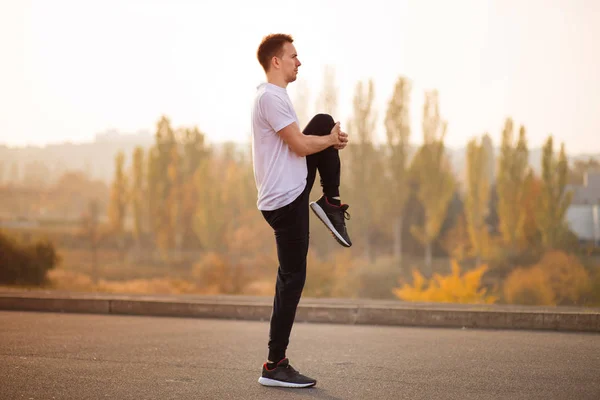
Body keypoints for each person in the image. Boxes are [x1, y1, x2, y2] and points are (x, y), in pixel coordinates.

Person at [250, 33, 352, 388]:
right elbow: (298, 143)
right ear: (276, 61)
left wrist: (326, 139)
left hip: (290, 188)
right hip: (286, 199)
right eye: (293, 56)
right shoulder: (269, 98)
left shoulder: (277, 97)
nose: (299, 61)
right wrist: (331, 142)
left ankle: (330, 203)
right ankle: (274, 365)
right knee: (292, 279)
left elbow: (299, 146)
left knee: (323, 120)